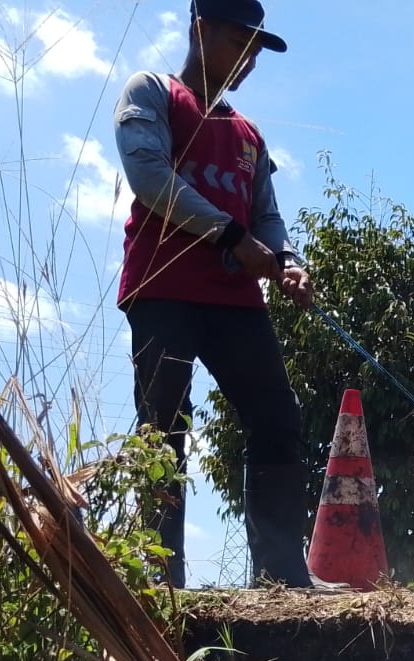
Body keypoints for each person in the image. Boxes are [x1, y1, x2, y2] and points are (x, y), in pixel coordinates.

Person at [113, 0, 313, 588]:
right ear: (200, 31)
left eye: (255, 51)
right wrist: (230, 236)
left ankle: (280, 574)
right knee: (163, 426)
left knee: (276, 417)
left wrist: (287, 261)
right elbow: (149, 177)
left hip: (235, 299)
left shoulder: (248, 135)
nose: (248, 60)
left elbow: (266, 215)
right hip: (163, 289)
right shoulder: (153, 93)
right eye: (238, 43)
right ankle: (161, 576)